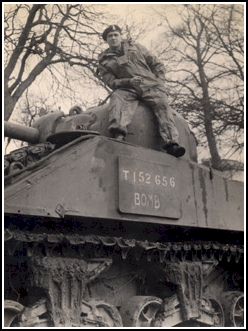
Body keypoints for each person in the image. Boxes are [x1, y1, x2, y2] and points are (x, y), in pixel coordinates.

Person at [97, 25, 185, 157]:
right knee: (117, 98)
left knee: (162, 105)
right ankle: (119, 134)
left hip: (150, 85)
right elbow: (111, 82)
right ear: (106, 40)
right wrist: (128, 82)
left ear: (121, 36)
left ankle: (172, 143)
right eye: (110, 36)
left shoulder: (136, 47)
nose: (114, 38)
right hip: (127, 88)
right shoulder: (104, 60)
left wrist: (159, 82)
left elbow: (156, 63)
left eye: (116, 34)